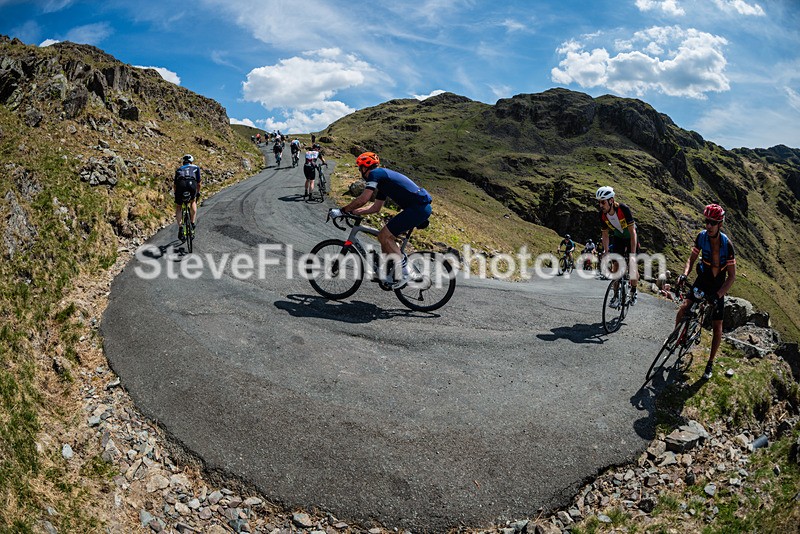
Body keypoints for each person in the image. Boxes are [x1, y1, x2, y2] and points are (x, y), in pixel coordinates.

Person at [329, 152, 432, 289]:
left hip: (418, 208)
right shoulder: (383, 182)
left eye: (360, 168)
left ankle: (406, 272)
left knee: (385, 235)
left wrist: (343, 210)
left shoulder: (375, 174)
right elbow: (376, 207)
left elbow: (363, 199)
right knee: (383, 238)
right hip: (417, 208)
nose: (360, 171)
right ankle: (385, 273)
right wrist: (355, 212)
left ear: (366, 167)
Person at [675, 204, 736, 379]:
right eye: (707, 221)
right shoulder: (701, 237)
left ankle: (709, 364)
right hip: (703, 279)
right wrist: (684, 274)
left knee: (717, 326)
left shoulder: (727, 245)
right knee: (684, 307)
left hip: (717, 286)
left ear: (720, 224)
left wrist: (717, 296)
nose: (708, 225)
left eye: (713, 222)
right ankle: (677, 336)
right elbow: (691, 259)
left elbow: (731, 277)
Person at [597, 186, 639, 307]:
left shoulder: (623, 209)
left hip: (631, 237)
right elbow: (605, 234)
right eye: (599, 202)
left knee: (632, 267)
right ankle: (615, 296)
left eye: (603, 202)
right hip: (619, 237)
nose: (601, 205)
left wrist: (632, 255)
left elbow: (633, 233)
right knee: (616, 266)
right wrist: (606, 251)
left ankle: (634, 291)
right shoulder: (602, 215)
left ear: (611, 200)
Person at [174, 154, 201, 240]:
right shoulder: (196, 168)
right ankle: (192, 223)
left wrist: (176, 194)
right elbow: (199, 183)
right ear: (191, 161)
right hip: (191, 184)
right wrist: (198, 192)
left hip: (180, 184)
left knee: (179, 206)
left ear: (183, 162)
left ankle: (181, 227)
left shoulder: (179, 169)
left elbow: (175, 184)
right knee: (192, 201)